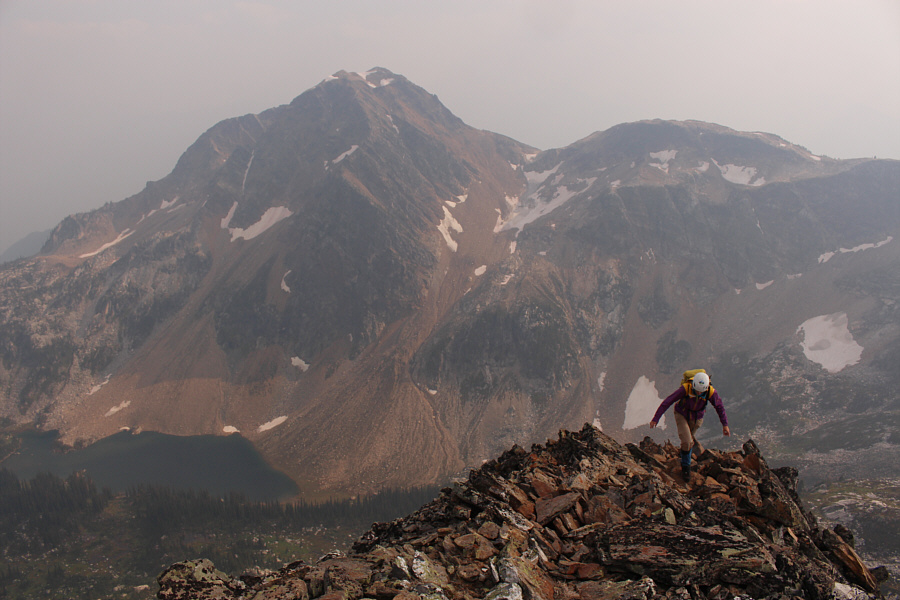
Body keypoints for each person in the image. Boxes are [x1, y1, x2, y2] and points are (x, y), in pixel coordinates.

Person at [649, 371, 730, 479]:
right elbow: (668, 401)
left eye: (701, 391)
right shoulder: (685, 388)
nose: (698, 393)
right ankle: (686, 468)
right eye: (696, 391)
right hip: (681, 414)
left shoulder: (710, 392)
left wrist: (725, 425)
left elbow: (719, 407)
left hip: (697, 418)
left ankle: (683, 455)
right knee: (687, 441)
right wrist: (656, 418)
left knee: (688, 442)